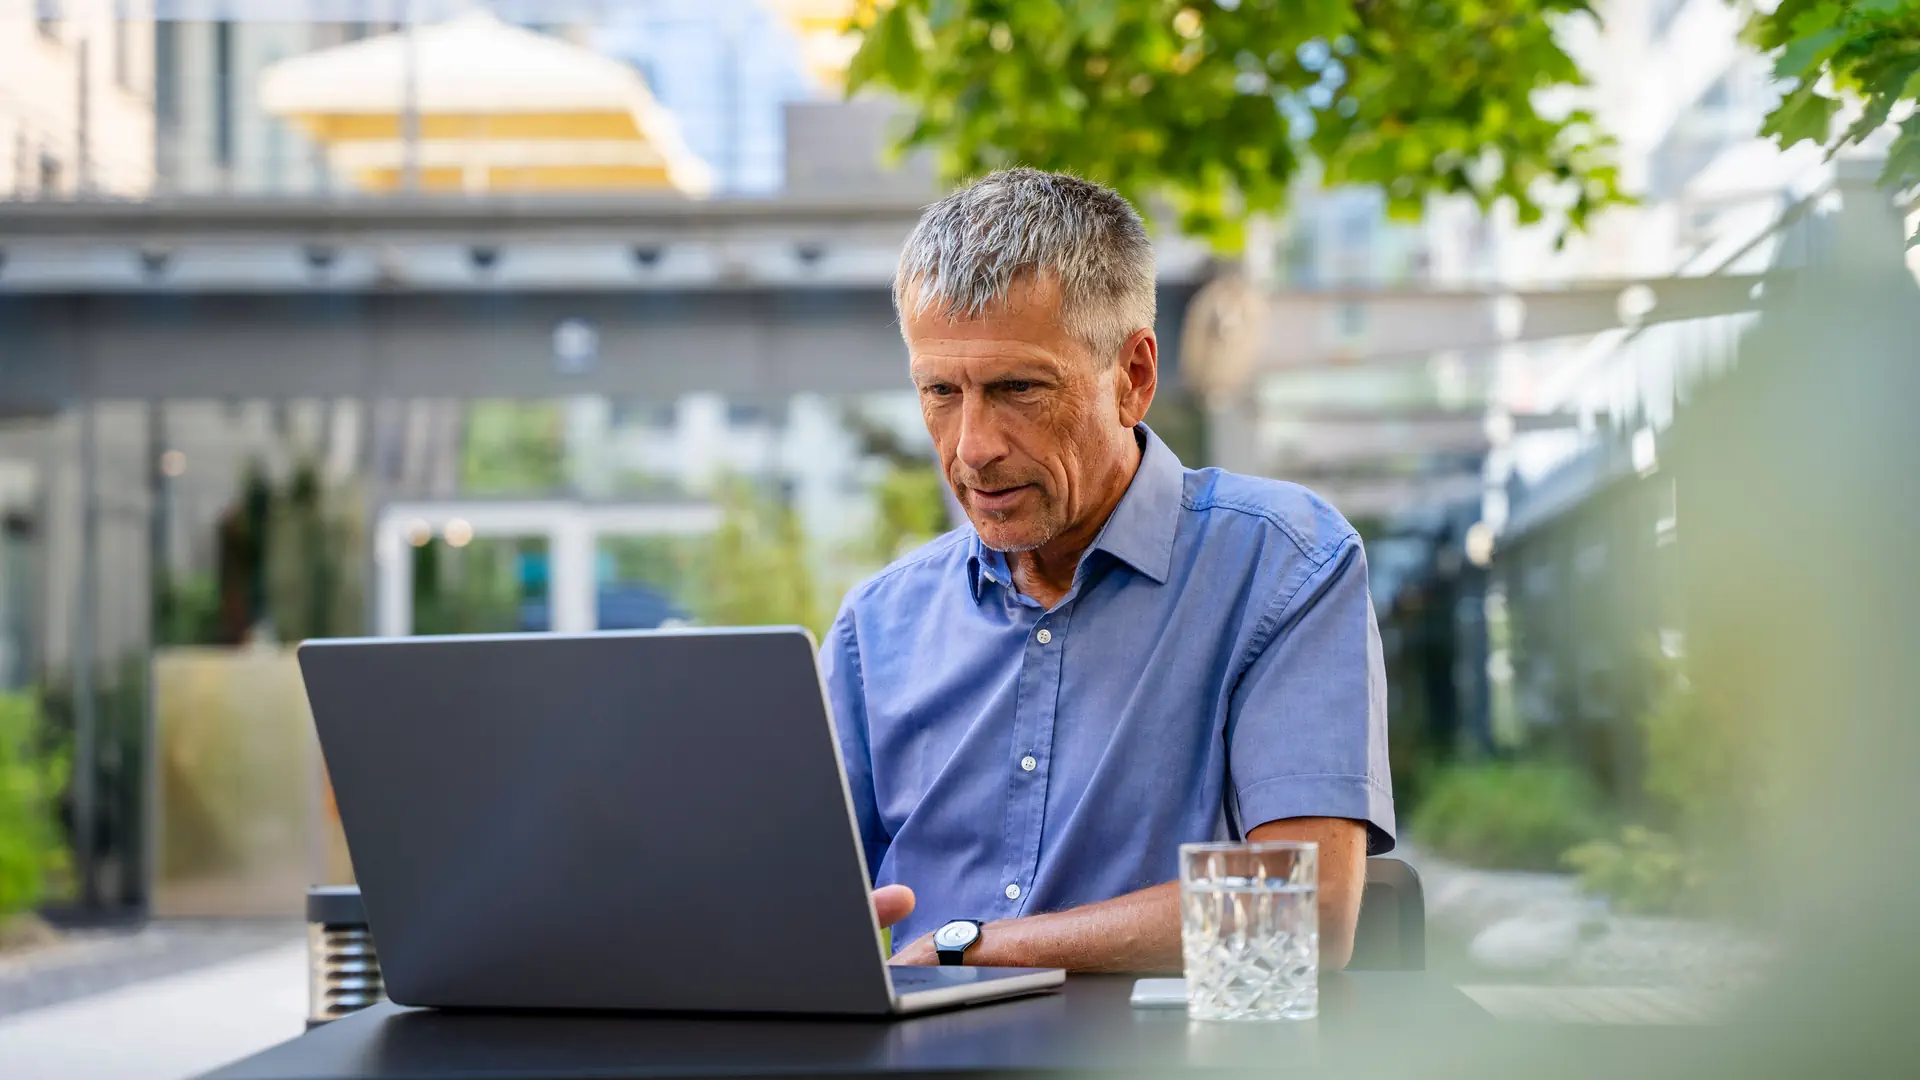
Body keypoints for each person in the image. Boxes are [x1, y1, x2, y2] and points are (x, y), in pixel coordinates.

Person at [822, 168, 1393, 973]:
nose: (971, 447)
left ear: (1134, 378)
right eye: (940, 391)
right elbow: (784, 900)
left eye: (1017, 388)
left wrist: (975, 948)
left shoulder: (1283, 566)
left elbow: (1305, 909)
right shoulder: (873, 629)